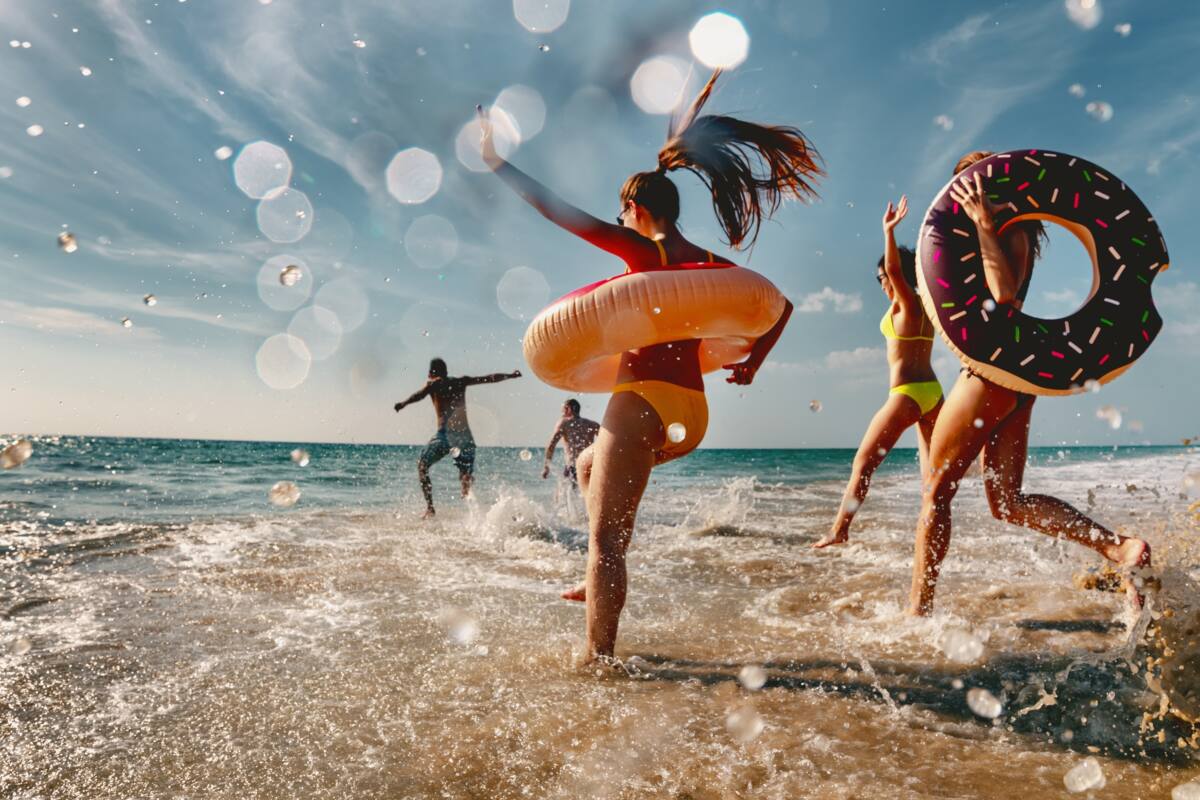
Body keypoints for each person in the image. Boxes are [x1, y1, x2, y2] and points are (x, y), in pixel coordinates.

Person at [478, 69, 815, 661]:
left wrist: (497, 162)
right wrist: (752, 365)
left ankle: (597, 661)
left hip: (641, 402)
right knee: (586, 465)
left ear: (633, 208)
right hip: (691, 412)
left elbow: (558, 211)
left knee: (609, 543)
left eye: (621, 213)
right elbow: (781, 306)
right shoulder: (708, 261)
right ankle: (595, 580)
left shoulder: (645, 250)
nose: (620, 221)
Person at [908, 151, 1151, 616]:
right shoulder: (1010, 234)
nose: (964, 199)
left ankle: (918, 614)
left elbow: (1002, 296)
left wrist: (981, 225)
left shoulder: (1004, 233)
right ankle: (1119, 549)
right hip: (1016, 380)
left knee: (936, 493)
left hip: (990, 375)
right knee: (1008, 503)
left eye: (970, 189)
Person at [815, 197, 943, 548]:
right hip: (933, 394)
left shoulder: (908, 303)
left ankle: (839, 531)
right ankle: (929, 537)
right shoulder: (926, 306)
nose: (882, 283)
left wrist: (888, 232)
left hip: (907, 395)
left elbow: (896, 271)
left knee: (862, 464)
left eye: (882, 277)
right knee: (931, 484)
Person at [393, 358, 521, 518]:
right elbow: (488, 378)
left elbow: (418, 395)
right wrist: (510, 375)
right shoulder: (461, 381)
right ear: (446, 371)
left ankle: (430, 508)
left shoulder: (433, 384)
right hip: (465, 437)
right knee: (464, 474)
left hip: (445, 435)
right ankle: (467, 485)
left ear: (430, 373)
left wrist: (403, 403)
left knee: (422, 466)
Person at [541, 399, 600, 486]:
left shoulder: (564, 423)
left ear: (568, 408)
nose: (562, 413)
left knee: (562, 496)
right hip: (590, 467)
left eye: (563, 410)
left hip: (573, 466)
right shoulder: (592, 424)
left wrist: (546, 467)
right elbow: (607, 442)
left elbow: (551, 445)